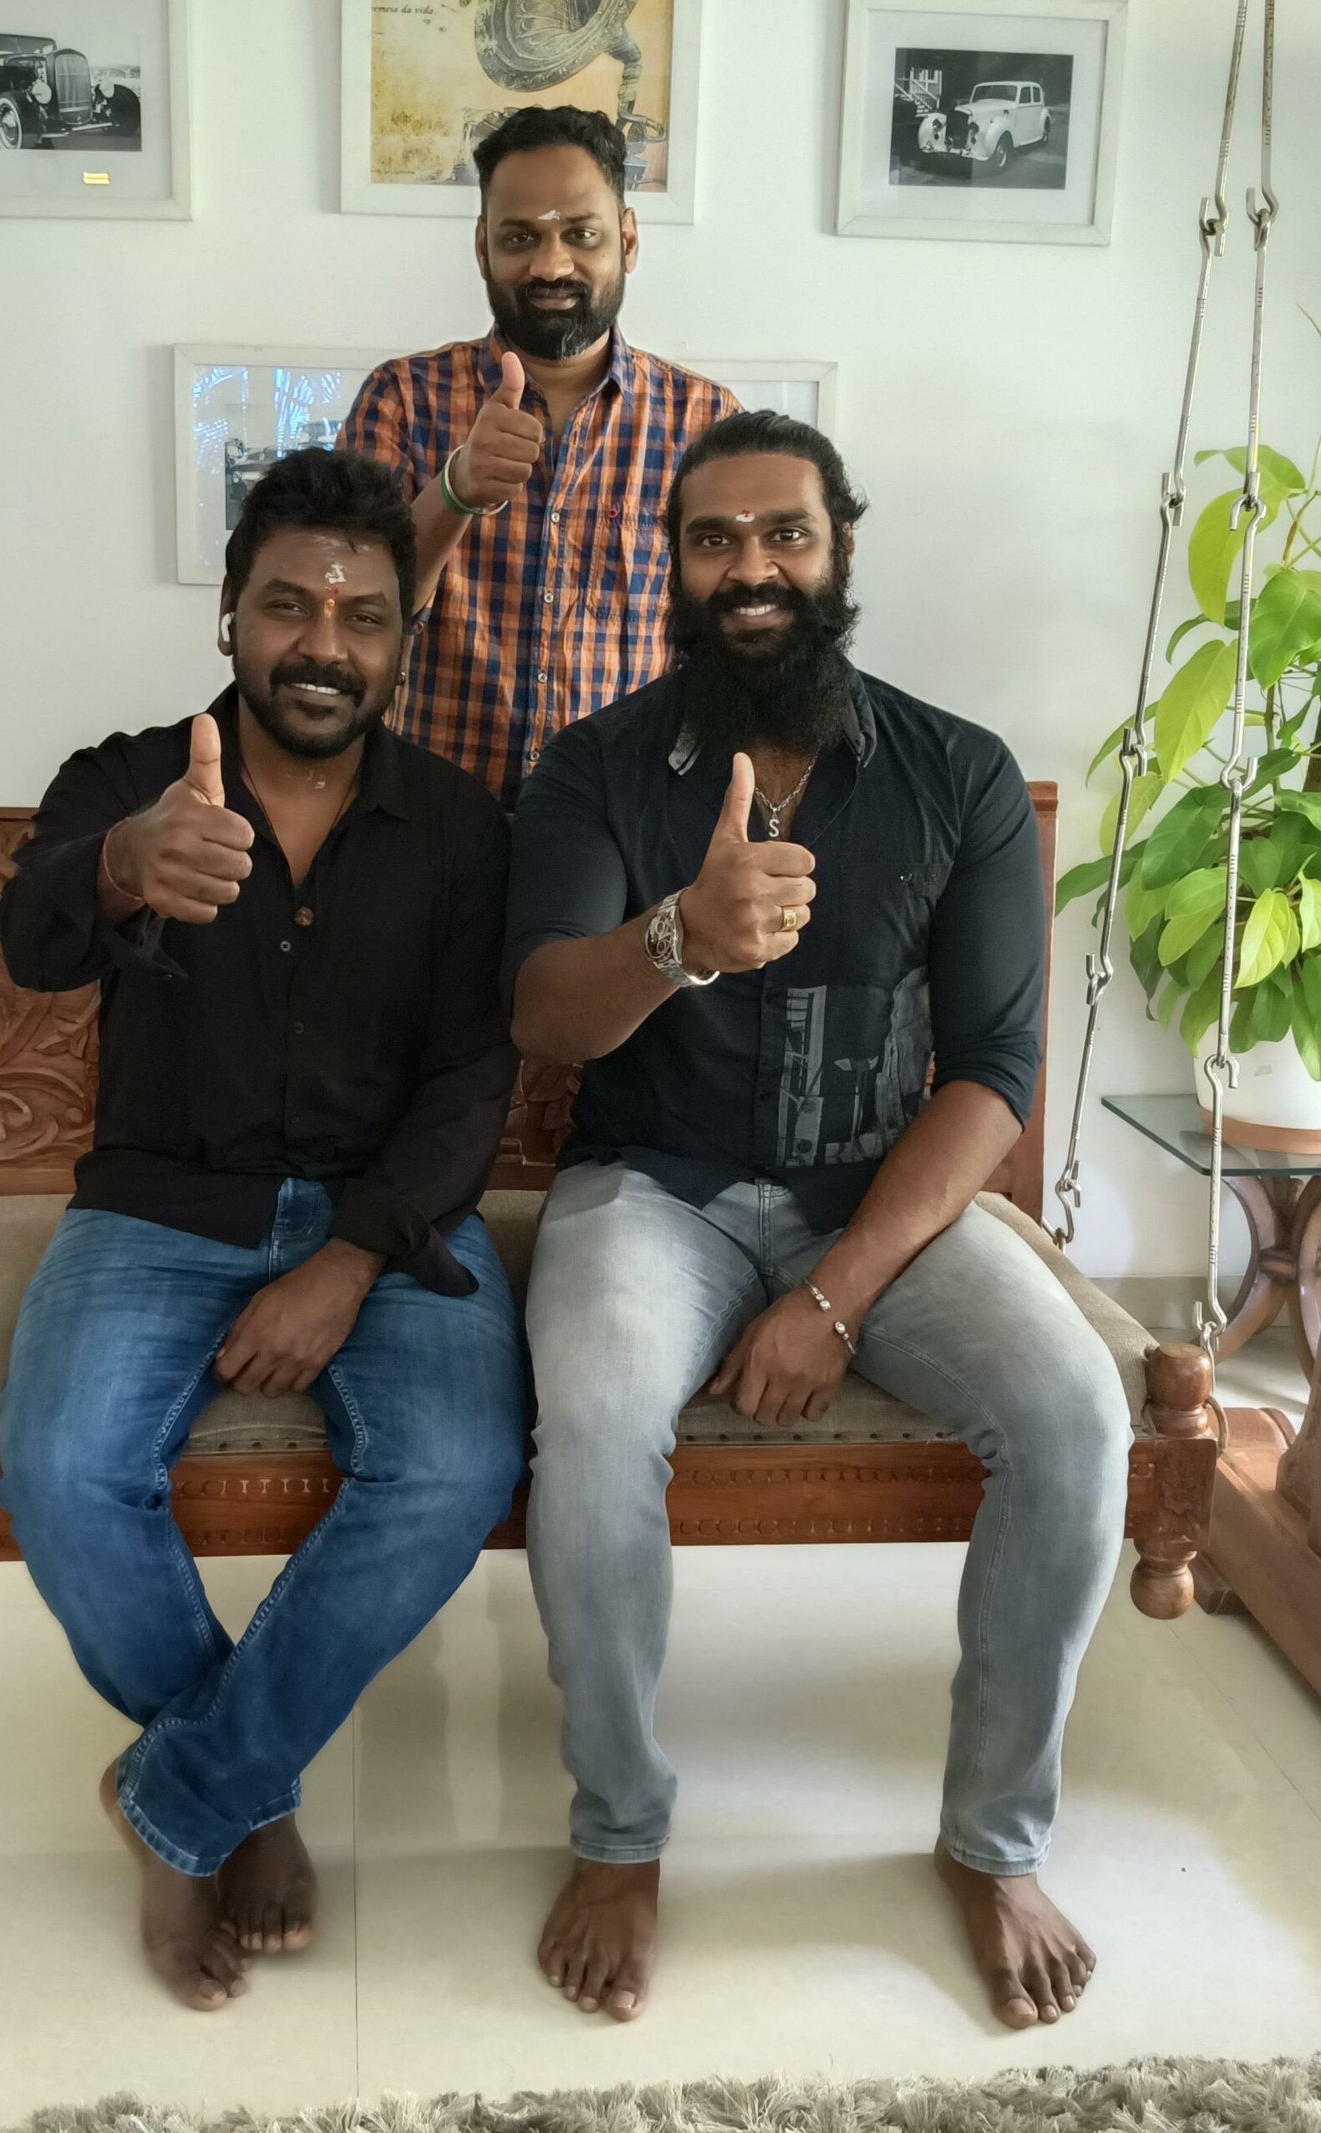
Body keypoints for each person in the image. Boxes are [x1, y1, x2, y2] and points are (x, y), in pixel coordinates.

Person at [505, 409, 1131, 2029]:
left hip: (881, 1199)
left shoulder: (957, 772)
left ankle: (994, 1843)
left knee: (1077, 1410)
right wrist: (682, 936)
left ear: (840, 548)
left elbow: (991, 1075)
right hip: (654, 1190)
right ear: (672, 567)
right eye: (713, 539)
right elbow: (547, 1019)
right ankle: (621, 1832)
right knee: (596, 1419)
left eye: (784, 532)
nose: (751, 568)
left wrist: (837, 1295)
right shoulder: (592, 769)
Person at [0, 448, 528, 2012]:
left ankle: (181, 1801)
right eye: (289, 605)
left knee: (453, 1465)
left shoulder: (460, 826)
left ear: (404, 637)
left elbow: (472, 1076)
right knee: (62, 1470)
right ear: (230, 616)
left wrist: (350, 1260)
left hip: (391, 1213)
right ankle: (252, 1791)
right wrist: (119, 863)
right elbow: (29, 938)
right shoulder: (130, 778)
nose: (323, 642)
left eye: (363, 615)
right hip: (161, 1200)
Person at [339, 103, 739, 808]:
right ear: (482, 247)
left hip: (622, 827)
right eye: (520, 237)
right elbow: (350, 614)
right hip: (428, 820)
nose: (551, 265)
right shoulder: (401, 397)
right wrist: (455, 490)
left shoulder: (704, 422)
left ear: (627, 240)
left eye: (581, 234)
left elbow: (725, 645)